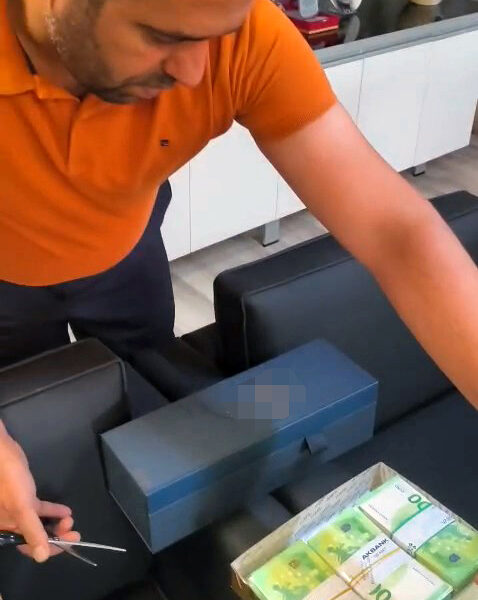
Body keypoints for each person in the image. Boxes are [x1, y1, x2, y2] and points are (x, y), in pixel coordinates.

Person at [0, 0, 477, 567]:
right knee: (31, 416)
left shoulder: (239, 34)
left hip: (126, 246)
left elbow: (396, 232)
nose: (197, 72)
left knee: (147, 373)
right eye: (161, 36)